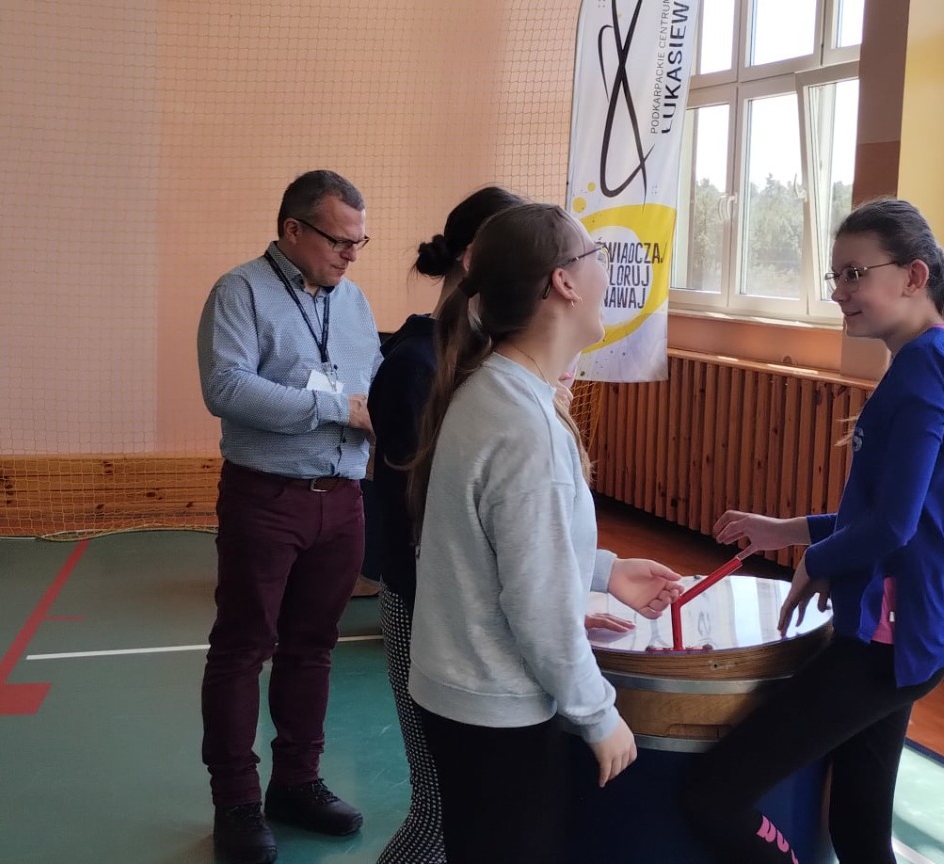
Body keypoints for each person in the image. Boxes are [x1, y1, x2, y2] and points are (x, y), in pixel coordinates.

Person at [680, 197, 944, 864]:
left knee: (713, 797)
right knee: (858, 831)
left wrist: (819, 558)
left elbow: (894, 524)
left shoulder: (927, 364)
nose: (839, 292)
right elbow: (902, 516)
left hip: (886, 642)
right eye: (836, 276)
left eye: (856, 274)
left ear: (913, 276)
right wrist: (789, 531)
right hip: (910, 634)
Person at [404, 202, 685, 863]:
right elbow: (538, 607)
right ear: (563, 282)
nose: (605, 270)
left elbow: (498, 546)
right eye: (596, 256)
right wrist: (598, 713)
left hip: (461, 698)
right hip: (496, 713)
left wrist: (604, 569)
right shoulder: (525, 425)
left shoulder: (491, 389)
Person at [195, 169, 383, 864]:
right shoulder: (239, 292)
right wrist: (338, 408)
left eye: (360, 242)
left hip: (343, 500)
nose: (351, 255)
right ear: (293, 230)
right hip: (266, 499)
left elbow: (373, 387)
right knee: (243, 649)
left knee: (314, 648)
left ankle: (297, 783)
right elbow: (226, 387)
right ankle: (236, 800)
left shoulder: (355, 302)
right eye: (339, 240)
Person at [364, 185, 526, 864]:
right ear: (473, 259)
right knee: (437, 814)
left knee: (472, 812)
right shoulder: (417, 366)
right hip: (426, 612)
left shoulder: (479, 363)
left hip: (463, 615)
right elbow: (430, 521)